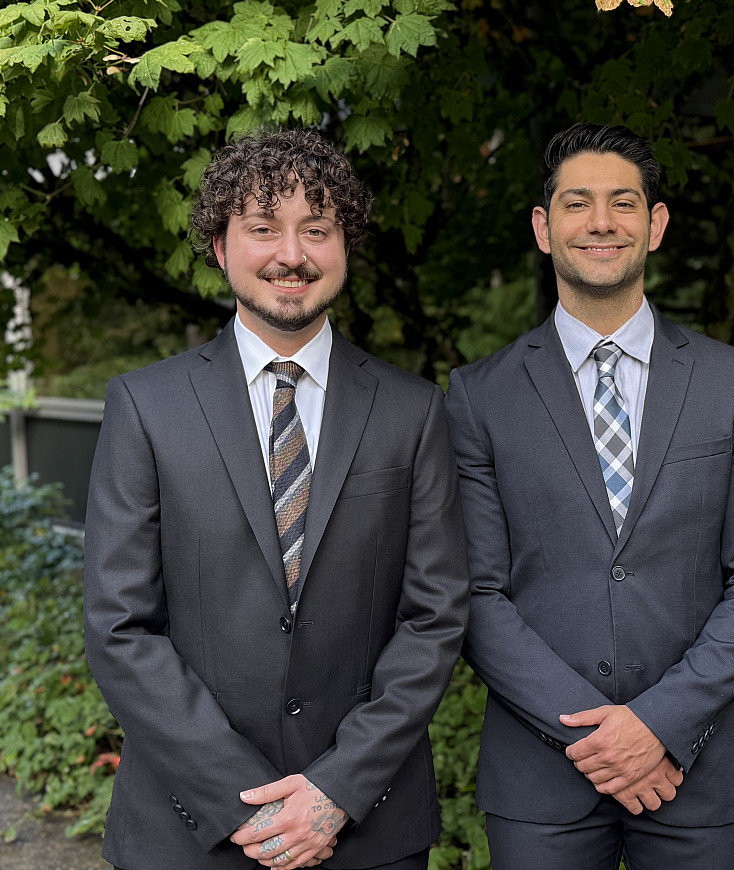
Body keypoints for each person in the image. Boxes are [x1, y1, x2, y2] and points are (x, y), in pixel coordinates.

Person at [83, 129, 470, 870]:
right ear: (221, 248)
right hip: (186, 827)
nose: (290, 253)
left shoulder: (414, 411)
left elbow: (435, 618)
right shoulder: (144, 406)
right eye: (262, 228)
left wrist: (336, 790)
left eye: (316, 229)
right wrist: (242, 798)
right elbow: (120, 625)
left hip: (368, 826)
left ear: (344, 246)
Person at [443, 123, 734, 869]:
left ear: (655, 225)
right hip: (542, 780)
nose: (601, 222)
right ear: (544, 229)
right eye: (578, 203)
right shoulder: (479, 397)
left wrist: (660, 725)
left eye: (622, 203)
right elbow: (476, 591)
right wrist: (596, 738)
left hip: (697, 771)